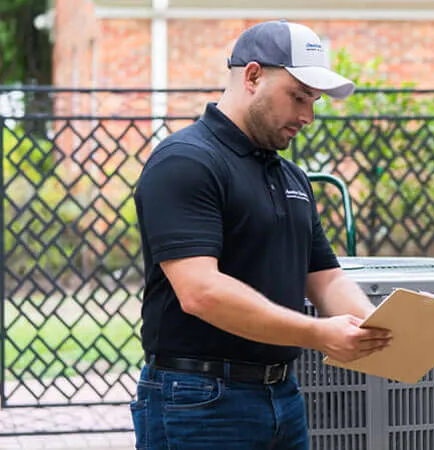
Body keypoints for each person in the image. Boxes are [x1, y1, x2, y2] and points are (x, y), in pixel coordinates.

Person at [130, 20, 391, 449]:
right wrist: (318, 333)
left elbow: (326, 277)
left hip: (283, 397)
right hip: (198, 400)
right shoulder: (186, 161)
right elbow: (200, 291)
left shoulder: (291, 176)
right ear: (252, 76)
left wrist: (370, 328)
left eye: (315, 101)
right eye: (298, 96)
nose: (307, 116)